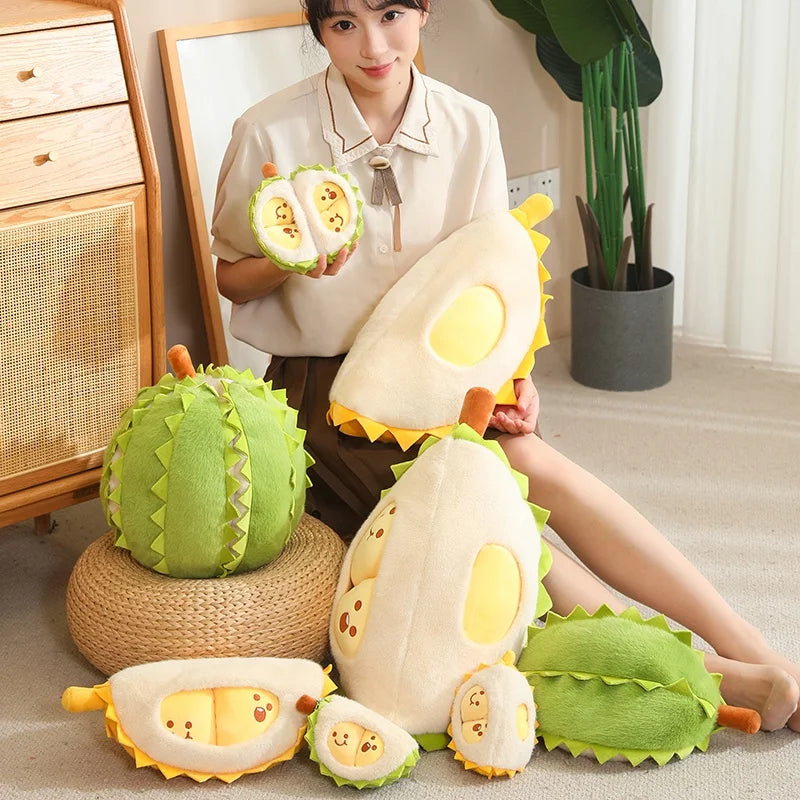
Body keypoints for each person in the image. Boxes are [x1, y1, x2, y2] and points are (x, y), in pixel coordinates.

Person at [212, 0, 800, 733]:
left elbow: (495, 278)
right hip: (330, 396)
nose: (373, 46)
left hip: (451, 375)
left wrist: (516, 378)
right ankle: (701, 671)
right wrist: (288, 259)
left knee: (534, 461)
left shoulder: (470, 125)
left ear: (424, 9)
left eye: (390, 13)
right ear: (318, 29)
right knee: (488, 515)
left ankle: (749, 643)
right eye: (343, 25)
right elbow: (231, 277)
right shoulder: (268, 129)